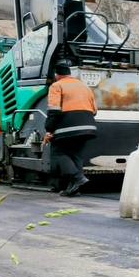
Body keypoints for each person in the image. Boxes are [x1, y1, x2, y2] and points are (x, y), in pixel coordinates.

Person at [43, 62, 98, 197]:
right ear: (69, 74)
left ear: (57, 75)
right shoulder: (84, 86)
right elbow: (95, 110)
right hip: (89, 124)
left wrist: (49, 128)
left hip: (68, 125)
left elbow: (54, 111)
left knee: (58, 154)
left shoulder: (57, 85)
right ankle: (74, 188)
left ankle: (78, 178)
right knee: (76, 156)